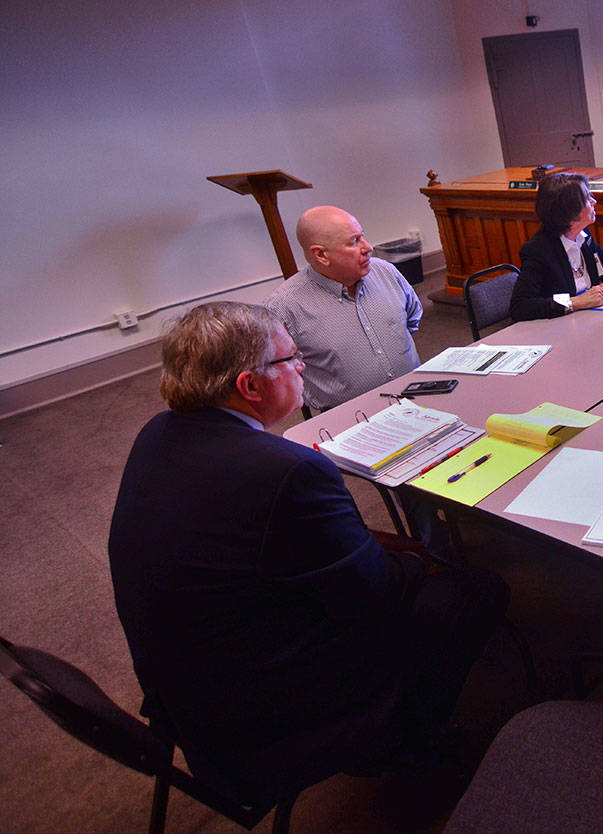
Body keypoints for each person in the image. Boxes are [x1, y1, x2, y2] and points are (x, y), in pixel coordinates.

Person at [108, 302, 508, 806]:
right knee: (471, 591)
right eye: (291, 358)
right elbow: (376, 591)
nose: (302, 368)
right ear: (249, 386)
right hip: (264, 714)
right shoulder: (287, 471)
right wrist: (420, 559)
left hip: (187, 694)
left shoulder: (158, 434)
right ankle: (403, 744)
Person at [265, 205, 423, 411]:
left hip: (417, 397)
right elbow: (276, 372)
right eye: (354, 241)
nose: (368, 247)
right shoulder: (285, 307)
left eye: (363, 236)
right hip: (350, 420)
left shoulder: (385, 271)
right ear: (321, 254)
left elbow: (412, 318)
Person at [509, 173, 603, 321]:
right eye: (587, 199)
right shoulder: (538, 250)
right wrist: (575, 302)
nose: (594, 202)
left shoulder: (583, 236)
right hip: (559, 330)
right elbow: (520, 307)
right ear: (570, 213)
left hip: (590, 321)